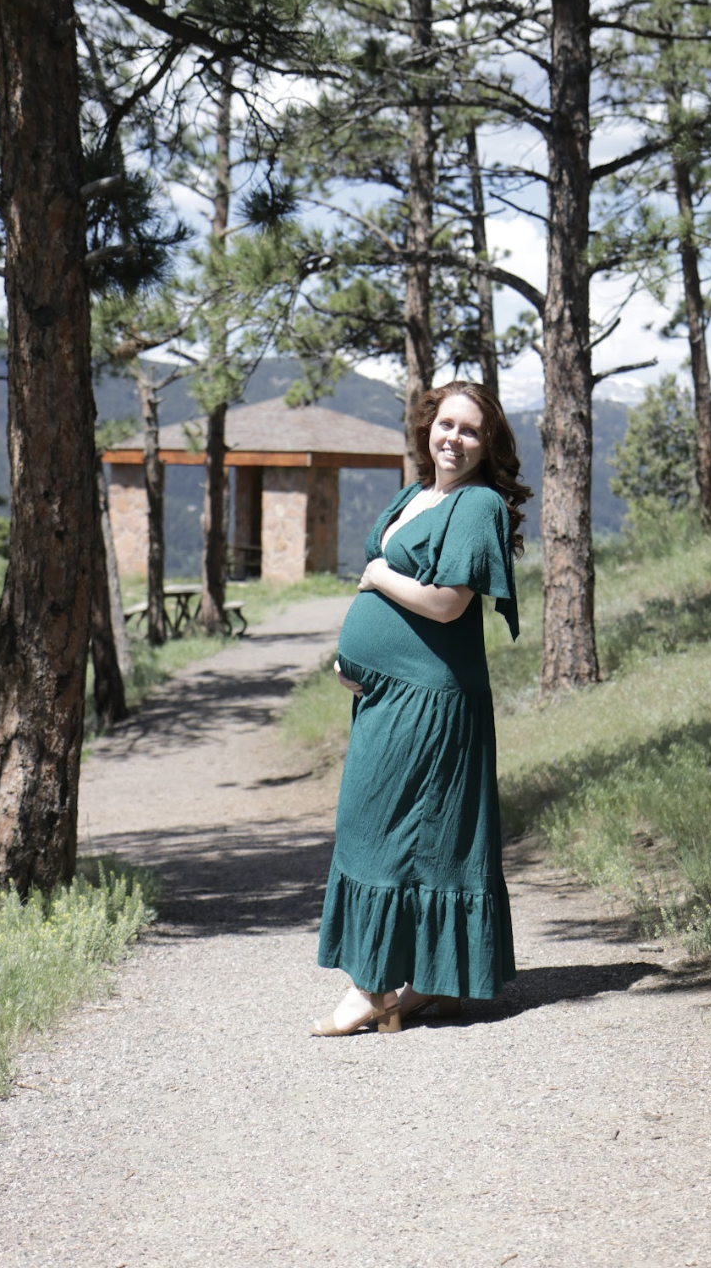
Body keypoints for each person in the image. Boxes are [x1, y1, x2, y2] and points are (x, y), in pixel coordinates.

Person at [312, 380, 532, 1036]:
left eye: (470, 429)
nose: (455, 439)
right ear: (426, 428)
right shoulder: (415, 496)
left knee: (382, 828)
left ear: (486, 442)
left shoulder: (476, 504)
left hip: (431, 702)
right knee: (404, 831)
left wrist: (377, 576)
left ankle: (370, 988)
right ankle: (435, 982)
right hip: (389, 697)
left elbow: (447, 604)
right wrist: (355, 661)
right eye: (446, 424)